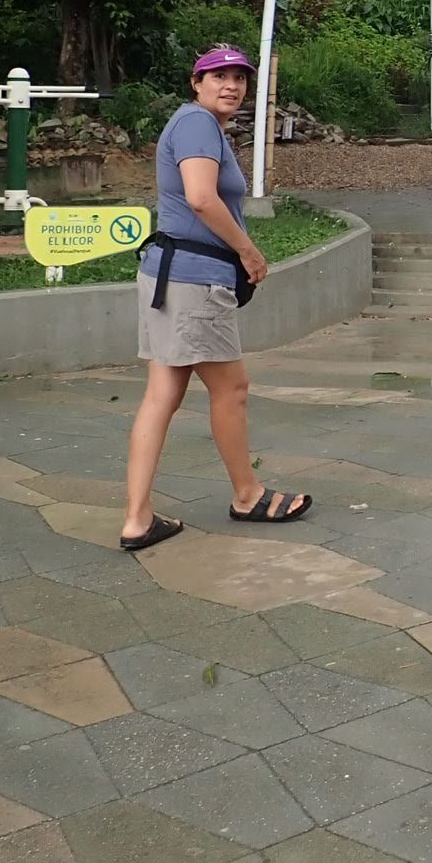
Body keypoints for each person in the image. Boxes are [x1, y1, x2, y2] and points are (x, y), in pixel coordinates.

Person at [120, 44, 310, 550]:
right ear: (196, 82)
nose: (231, 86)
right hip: (193, 281)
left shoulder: (196, 125)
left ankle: (137, 519)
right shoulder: (197, 124)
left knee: (162, 395)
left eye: (240, 78)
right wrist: (248, 251)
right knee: (232, 388)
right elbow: (201, 198)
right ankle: (247, 495)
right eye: (218, 76)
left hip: (172, 275)